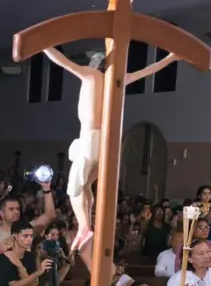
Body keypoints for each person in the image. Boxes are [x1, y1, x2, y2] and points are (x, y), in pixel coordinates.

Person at [42, 47, 177, 251]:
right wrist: (171, 58)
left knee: (75, 188)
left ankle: (84, 226)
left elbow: (61, 61)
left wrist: (45, 47)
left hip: (89, 138)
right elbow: (149, 70)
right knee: (87, 185)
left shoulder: (89, 75)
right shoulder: (119, 79)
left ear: (95, 64)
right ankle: (86, 224)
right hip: (107, 142)